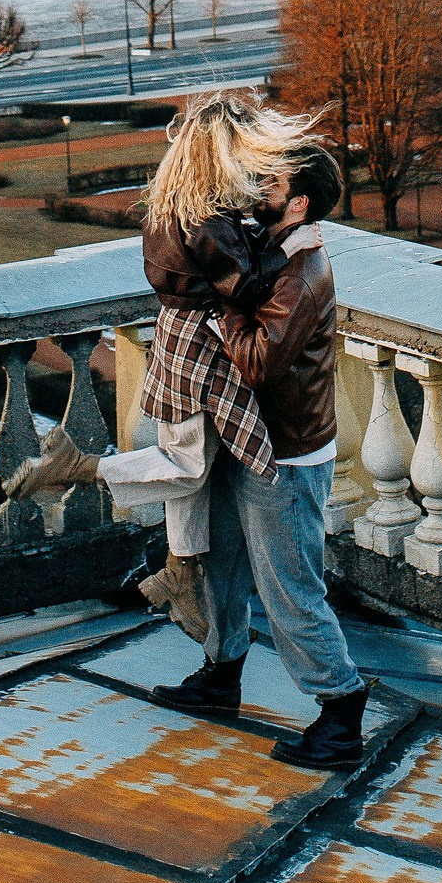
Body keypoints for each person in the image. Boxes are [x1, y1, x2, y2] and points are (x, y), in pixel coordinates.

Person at [1, 87, 323, 640]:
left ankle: (182, 568)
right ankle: (80, 468)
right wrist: (285, 251)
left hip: (178, 336)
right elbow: (245, 288)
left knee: (194, 461)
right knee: (188, 463)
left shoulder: (178, 203)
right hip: (202, 342)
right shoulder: (207, 222)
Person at [164, 141, 371, 771]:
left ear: (298, 203)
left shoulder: (303, 273)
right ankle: (221, 673)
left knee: (289, 590)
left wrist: (218, 298)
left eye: (271, 181)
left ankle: (341, 710)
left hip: (286, 456)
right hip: (247, 437)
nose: (258, 186)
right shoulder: (271, 244)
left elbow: (256, 362)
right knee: (222, 562)